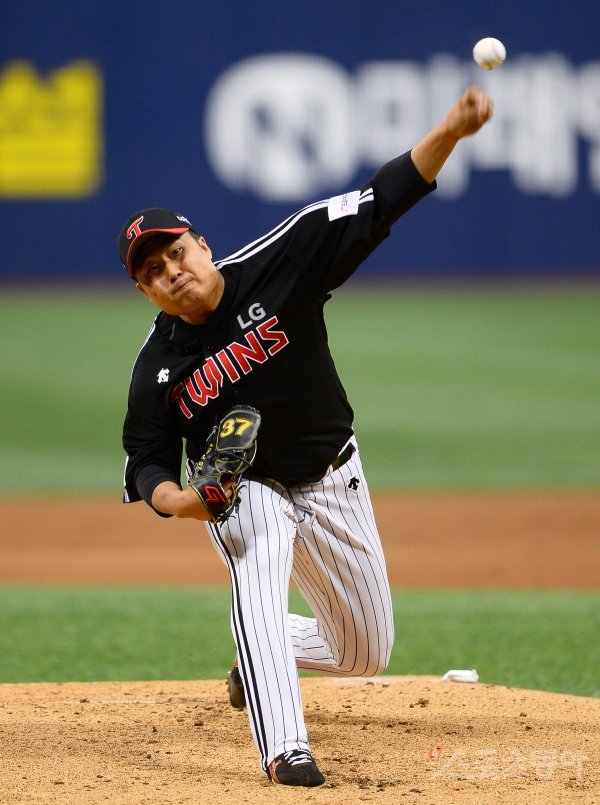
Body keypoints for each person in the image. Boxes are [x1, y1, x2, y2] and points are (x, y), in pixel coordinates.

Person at [118, 86, 493, 788]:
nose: (172, 272)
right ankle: (284, 749)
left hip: (331, 473)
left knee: (363, 652)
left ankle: (258, 651)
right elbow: (146, 460)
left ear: (202, 245)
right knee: (257, 553)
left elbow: (382, 200)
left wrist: (449, 130)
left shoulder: (282, 258)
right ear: (146, 293)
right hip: (241, 486)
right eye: (153, 273)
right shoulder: (156, 367)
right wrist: (185, 502)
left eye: (176, 253)